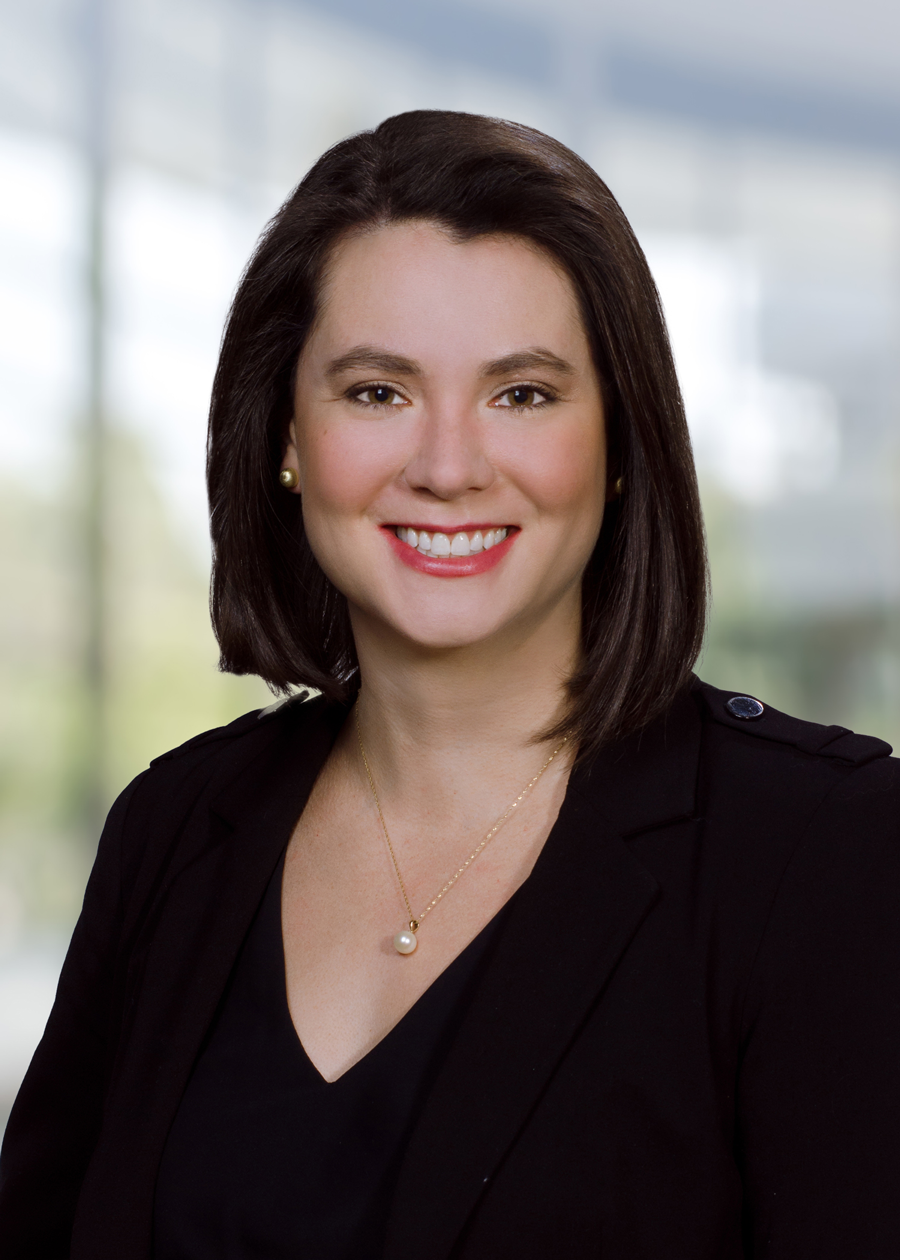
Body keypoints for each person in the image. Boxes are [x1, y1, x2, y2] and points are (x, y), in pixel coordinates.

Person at [1, 109, 898, 1260]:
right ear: (287, 436)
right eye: (378, 391)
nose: (447, 466)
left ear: (620, 445)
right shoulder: (172, 833)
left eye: (522, 394)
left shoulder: (824, 852)